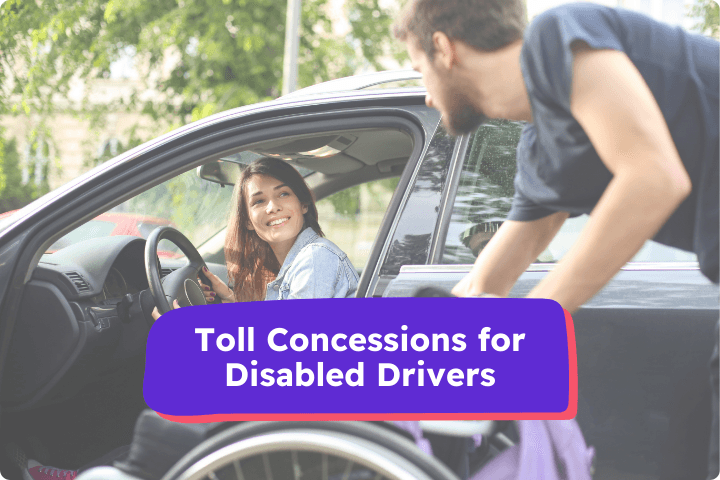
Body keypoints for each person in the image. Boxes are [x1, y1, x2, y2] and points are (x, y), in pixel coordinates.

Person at [392, 0, 718, 478]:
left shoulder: (556, 36)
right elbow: (487, 283)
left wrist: (529, 332)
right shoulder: (542, 148)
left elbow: (655, 178)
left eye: (419, 68)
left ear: (444, 48)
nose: (426, 94)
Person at [19, 157, 359, 480]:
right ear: (250, 218)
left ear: (303, 204)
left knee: (162, 419)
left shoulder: (315, 258)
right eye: (258, 201)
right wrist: (233, 303)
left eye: (283, 193)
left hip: (300, 419)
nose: (272, 207)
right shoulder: (299, 263)